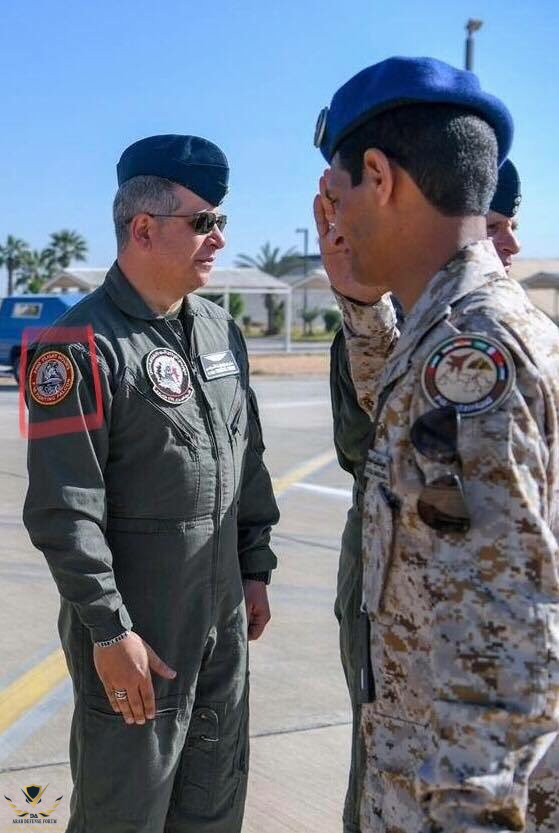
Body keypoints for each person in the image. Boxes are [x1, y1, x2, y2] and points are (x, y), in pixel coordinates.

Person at [314, 57, 559, 832]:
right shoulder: (458, 330)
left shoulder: (471, 355)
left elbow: (505, 640)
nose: (334, 222)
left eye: (338, 194)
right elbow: (400, 420)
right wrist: (360, 304)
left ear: (379, 176)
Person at [23, 134, 280, 833]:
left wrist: (253, 567)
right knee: (123, 813)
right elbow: (64, 510)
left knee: (213, 803)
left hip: (222, 624)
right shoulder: (78, 346)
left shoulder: (221, 331)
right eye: (203, 221)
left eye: (220, 220)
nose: (219, 237)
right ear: (142, 228)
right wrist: (110, 631)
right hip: (140, 637)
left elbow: (248, 459)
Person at [329, 155, 524, 833]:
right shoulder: (410, 328)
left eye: (513, 223)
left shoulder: (490, 335)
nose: (509, 242)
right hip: (396, 605)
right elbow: (373, 437)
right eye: (494, 225)